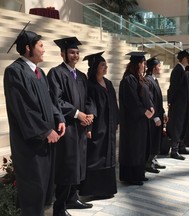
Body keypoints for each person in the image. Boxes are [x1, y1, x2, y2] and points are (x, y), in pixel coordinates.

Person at [3, 27, 66, 216]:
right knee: (33, 189)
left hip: (45, 143)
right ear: (28, 48)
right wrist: (46, 131)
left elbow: (51, 100)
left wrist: (59, 118)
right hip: (30, 144)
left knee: (43, 188)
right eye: (40, 45)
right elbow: (23, 108)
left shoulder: (40, 73)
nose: (44, 49)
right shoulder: (14, 71)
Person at [47, 37, 94, 216]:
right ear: (63, 54)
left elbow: (88, 99)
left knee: (78, 166)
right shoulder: (56, 73)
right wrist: (76, 113)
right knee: (67, 167)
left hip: (81, 128)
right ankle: (59, 208)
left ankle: (73, 199)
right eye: (71, 52)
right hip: (67, 127)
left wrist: (89, 115)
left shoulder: (81, 76)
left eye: (76, 52)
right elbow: (55, 100)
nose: (75, 55)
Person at [79, 51, 119, 199]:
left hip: (108, 126)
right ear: (95, 67)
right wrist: (88, 127)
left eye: (106, 65)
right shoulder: (90, 85)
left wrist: (116, 121)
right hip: (97, 127)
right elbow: (89, 105)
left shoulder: (107, 83)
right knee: (95, 156)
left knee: (108, 156)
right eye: (102, 65)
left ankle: (106, 189)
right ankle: (92, 190)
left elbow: (114, 104)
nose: (105, 67)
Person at [118, 52, 155, 185]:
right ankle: (131, 177)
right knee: (133, 148)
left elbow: (147, 96)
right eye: (143, 63)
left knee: (141, 147)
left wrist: (150, 107)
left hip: (141, 120)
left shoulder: (140, 78)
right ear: (137, 64)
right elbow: (132, 101)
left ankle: (139, 174)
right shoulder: (129, 79)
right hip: (132, 122)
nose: (145, 65)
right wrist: (144, 111)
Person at [167, 50, 189, 160]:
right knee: (177, 126)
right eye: (188, 58)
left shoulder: (184, 70)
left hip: (183, 103)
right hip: (178, 104)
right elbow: (174, 88)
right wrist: (171, 102)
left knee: (183, 125)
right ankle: (174, 150)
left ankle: (181, 146)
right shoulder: (177, 70)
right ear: (184, 59)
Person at [144, 56, 168, 173]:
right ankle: (149, 162)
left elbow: (158, 100)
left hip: (158, 114)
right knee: (152, 139)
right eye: (159, 66)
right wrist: (155, 117)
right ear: (153, 68)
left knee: (157, 139)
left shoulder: (155, 80)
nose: (160, 68)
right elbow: (150, 101)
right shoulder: (148, 80)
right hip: (152, 117)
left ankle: (154, 159)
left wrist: (163, 113)